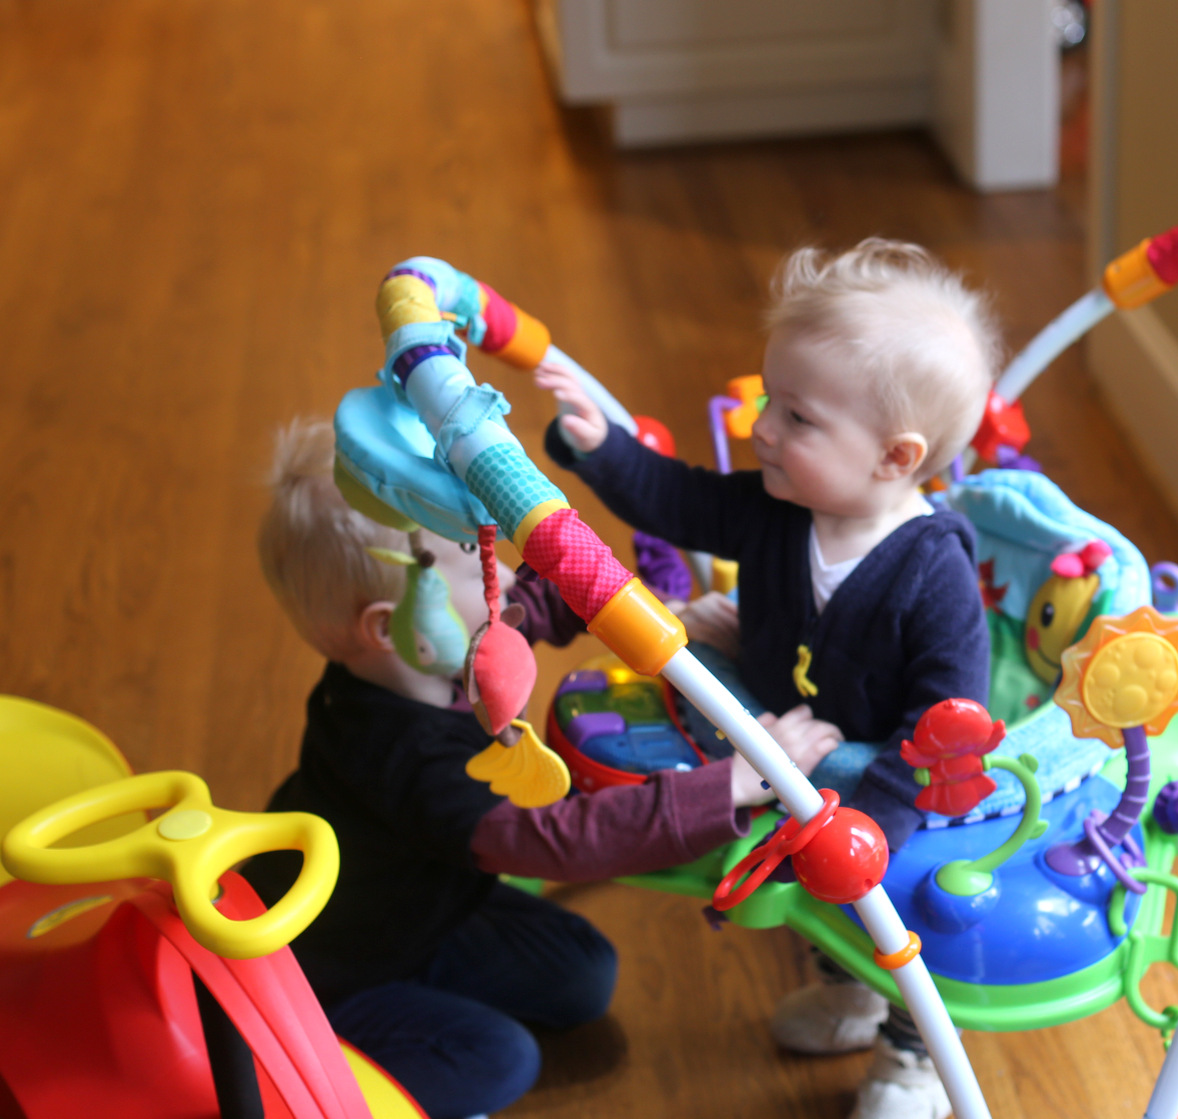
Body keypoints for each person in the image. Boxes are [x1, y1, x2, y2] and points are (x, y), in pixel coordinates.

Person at [243, 419, 837, 1119]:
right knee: (500, 1060)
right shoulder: (404, 758)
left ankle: (418, 1000)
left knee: (585, 972)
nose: (500, 575)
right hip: (330, 972)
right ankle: (298, 1067)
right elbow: (554, 838)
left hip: (424, 907)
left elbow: (536, 604)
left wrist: (659, 619)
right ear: (385, 626)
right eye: (472, 561)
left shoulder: (430, 649)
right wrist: (727, 787)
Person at [536, 239, 1000, 1119]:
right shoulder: (779, 505)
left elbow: (947, 722)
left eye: (797, 417)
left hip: (894, 781)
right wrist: (600, 449)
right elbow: (679, 500)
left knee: (895, 902)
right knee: (821, 902)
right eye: (770, 402)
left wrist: (879, 822)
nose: (763, 430)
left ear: (895, 457)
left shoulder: (932, 573)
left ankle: (914, 1053)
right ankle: (847, 989)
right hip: (792, 746)